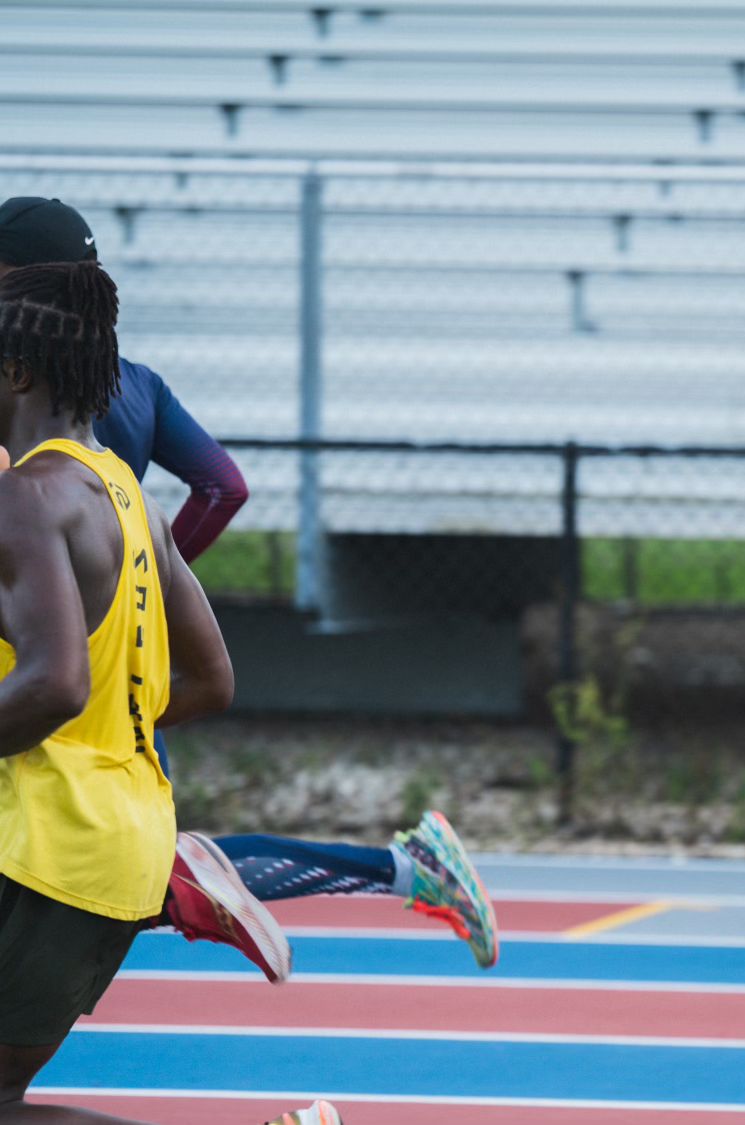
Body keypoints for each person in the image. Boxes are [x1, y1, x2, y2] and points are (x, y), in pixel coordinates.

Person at [0, 195, 498, 977]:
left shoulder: (22, 411)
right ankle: (386, 868)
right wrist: (147, 592)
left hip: (39, 674)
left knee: (84, 863)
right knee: (112, 865)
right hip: (118, 671)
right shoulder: (126, 387)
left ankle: (209, 882)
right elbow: (223, 486)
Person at [0, 259, 339, 1125]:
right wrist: (109, 727)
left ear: (15, 371)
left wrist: (72, 725)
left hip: (42, 849)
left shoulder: (29, 497)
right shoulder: (132, 498)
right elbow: (210, 679)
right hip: (129, 847)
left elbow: (54, 683)